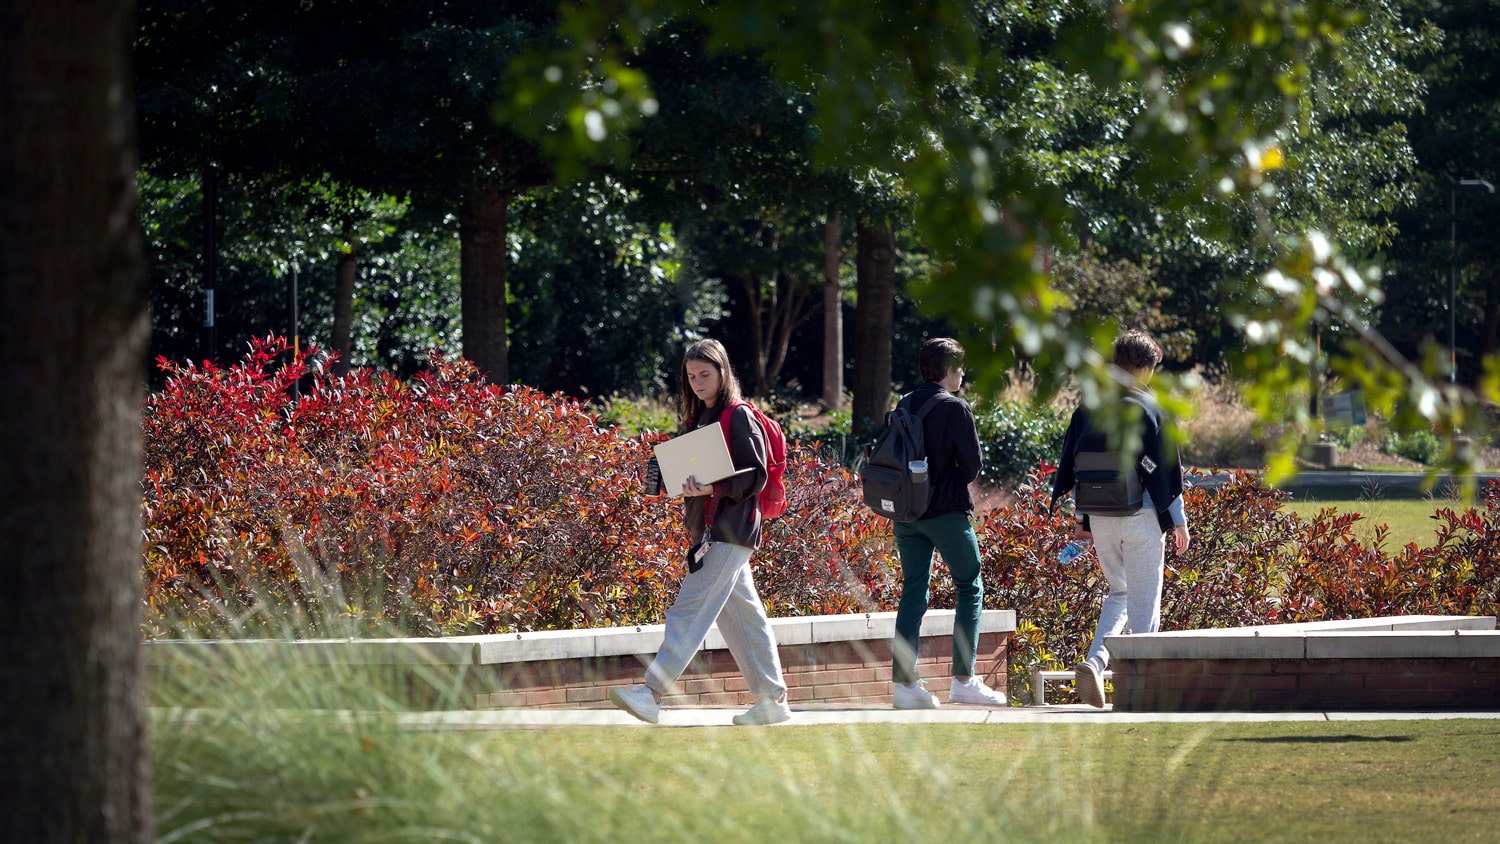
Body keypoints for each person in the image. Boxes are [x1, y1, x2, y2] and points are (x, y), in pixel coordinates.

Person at [607, 339, 792, 726]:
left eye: (705, 374)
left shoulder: (739, 416)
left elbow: (755, 474)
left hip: (730, 529)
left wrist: (712, 488)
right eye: (691, 376)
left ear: (724, 372)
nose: (697, 382)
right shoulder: (703, 418)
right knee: (742, 617)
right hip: (712, 530)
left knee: (688, 610)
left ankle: (651, 693)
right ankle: (772, 701)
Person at [1051, 329, 1191, 708]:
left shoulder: (1089, 408)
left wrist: (1081, 519)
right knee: (1145, 605)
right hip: (1141, 515)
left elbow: (1077, 467)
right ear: (1145, 368)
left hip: (1100, 516)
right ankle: (1142, 692)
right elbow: (1163, 470)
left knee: (1120, 593)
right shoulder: (1149, 407)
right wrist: (1177, 520)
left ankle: (1095, 662)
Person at [888, 337, 1009, 709]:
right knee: (970, 587)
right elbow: (972, 466)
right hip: (946, 513)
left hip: (907, 514)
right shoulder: (956, 409)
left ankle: (905, 687)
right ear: (947, 371)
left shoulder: (904, 403)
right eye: (959, 368)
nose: (963, 375)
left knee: (913, 592)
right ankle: (964, 680)